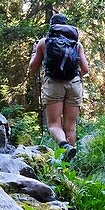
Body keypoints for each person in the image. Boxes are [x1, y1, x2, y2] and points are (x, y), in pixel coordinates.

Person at [28, 12, 89, 159]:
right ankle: (70, 164)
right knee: (70, 128)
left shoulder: (44, 42)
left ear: (52, 26)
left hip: (54, 84)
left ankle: (64, 146)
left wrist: (34, 51)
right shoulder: (76, 44)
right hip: (74, 84)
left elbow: (32, 68)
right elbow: (85, 69)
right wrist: (75, 78)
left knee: (54, 125)